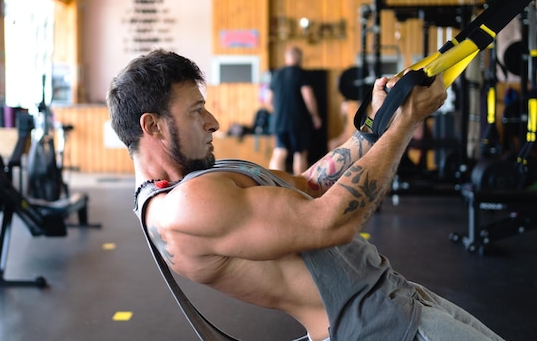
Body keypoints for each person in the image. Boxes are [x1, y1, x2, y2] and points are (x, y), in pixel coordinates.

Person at [107, 49, 504, 341]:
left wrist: (373, 129)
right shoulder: (184, 208)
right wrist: (406, 124)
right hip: (381, 328)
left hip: (399, 301)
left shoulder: (198, 178)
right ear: (153, 127)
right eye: (196, 111)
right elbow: (332, 221)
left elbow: (308, 187)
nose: (213, 123)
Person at [266, 46, 322, 175]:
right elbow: (309, 97)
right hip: (298, 122)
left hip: (278, 121)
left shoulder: (276, 74)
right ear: (298, 57)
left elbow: (268, 100)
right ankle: (299, 189)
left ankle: (273, 185)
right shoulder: (301, 73)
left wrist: (277, 113)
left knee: (280, 151)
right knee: (300, 153)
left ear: (286, 57)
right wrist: (315, 116)